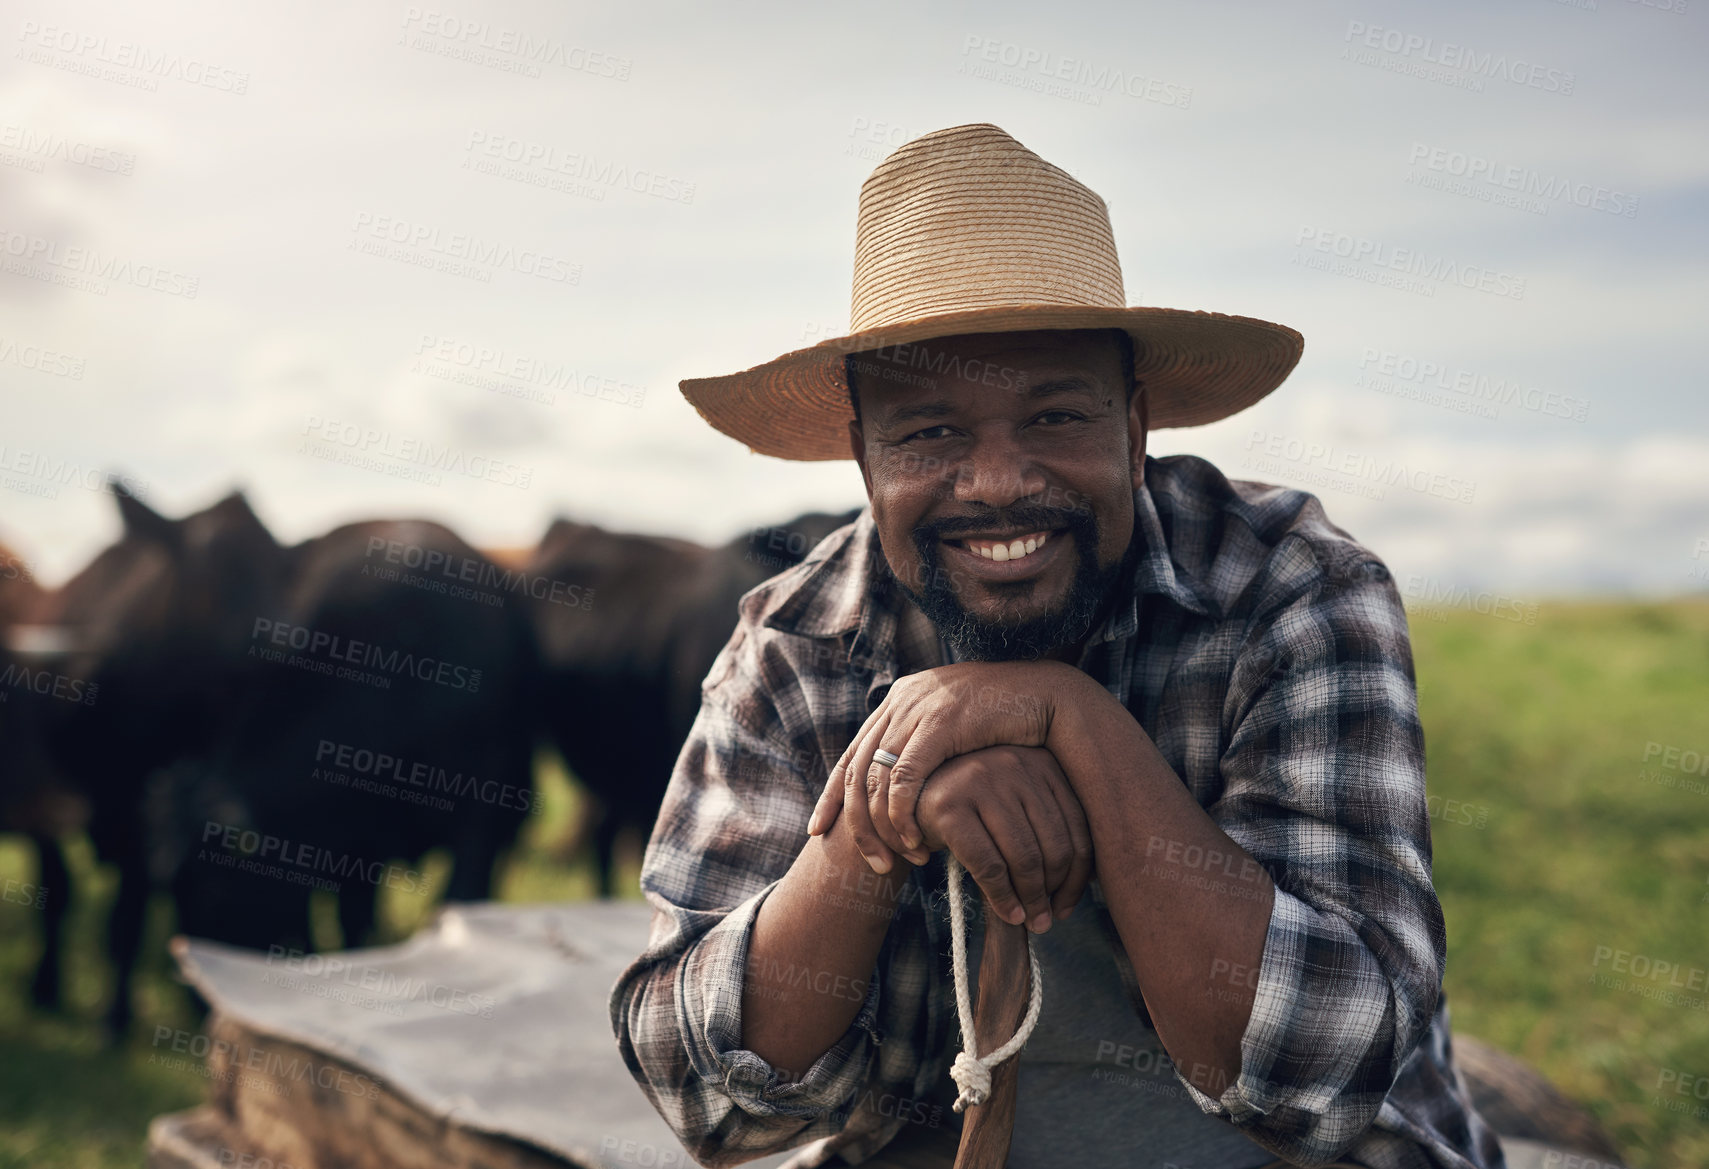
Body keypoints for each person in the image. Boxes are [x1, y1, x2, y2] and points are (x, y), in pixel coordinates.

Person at [611, 123, 1503, 1169]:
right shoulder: (798, 638)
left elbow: (1325, 1073)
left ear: (1134, 432)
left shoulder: (1289, 588)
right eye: (930, 431)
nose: (995, 481)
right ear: (863, 457)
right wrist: (877, 816)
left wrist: (1075, 722)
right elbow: (703, 1097)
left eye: (1053, 415)